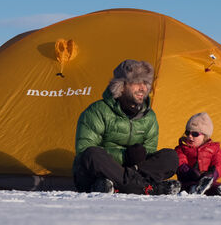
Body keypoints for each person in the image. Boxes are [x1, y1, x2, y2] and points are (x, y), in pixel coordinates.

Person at [73, 59, 180, 195]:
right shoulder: (97, 111)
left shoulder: (149, 116)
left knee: (171, 157)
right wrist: (125, 157)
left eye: (146, 83)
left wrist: (139, 158)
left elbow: (149, 151)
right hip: (101, 171)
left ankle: (119, 186)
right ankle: (150, 188)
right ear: (121, 86)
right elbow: (84, 150)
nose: (143, 88)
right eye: (137, 82)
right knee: (92, 154)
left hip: (132, 170)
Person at [175, 112, 221, 196]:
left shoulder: (214, 149)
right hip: (188, 180)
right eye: (187, 133)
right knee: (187, 186)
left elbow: (219, 164)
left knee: (211, 186)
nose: (190, 136)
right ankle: (193, 189)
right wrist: (188, 171)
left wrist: (213, 174)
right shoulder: (182, 148)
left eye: (195, 134)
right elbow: (180, 161)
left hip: (206, 181)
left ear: (205, 136)